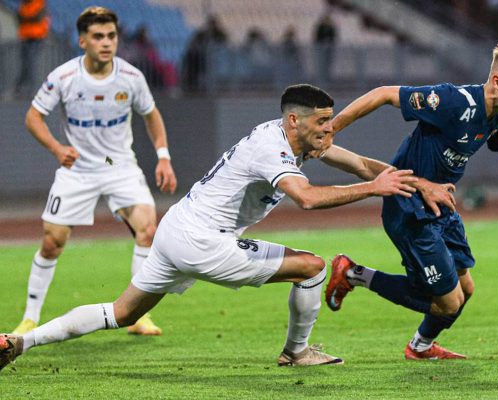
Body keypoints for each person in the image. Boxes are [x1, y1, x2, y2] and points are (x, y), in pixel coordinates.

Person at [0, 83, 456, 370]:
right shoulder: (272, 149)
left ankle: (20, 342)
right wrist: (374, 190)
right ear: (294, 120)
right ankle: (296, 352)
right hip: (203, 241)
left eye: (330, 122)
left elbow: (360, 164)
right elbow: (308, 198)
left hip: (177, 228)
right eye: (322, 122)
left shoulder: (299, 139)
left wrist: (419, 184)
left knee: (122, 313)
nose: (329, 130)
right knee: (313, 268)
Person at [324, 42, 498, 360]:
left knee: (466, 290)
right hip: (410, 208)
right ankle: (353, 273)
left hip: (441, 209)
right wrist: (333, 128)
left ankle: (420, 346)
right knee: (448, 303)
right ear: (497, 81)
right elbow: (384, 93)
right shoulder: (453, 101)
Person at [10, 6, 177, 338]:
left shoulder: (131, 77)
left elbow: (151, 114)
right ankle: (30, 318)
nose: (106, 43)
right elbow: (33, 117)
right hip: (78, 171)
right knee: (52, 242)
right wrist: (57, 148)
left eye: (111, 36)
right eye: (98, 36)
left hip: (120, 166)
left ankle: (139, 315)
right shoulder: (63, 77)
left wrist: (163, 156)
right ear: (82, 41)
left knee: (147, 230)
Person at [181, 15, 228, 92]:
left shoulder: (220, 34)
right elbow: (193, 43)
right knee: (192, 59)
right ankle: (191, 82)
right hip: (201, 56)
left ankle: (197, 82)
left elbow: (224, 43)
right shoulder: (202, 34)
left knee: (202, 62)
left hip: (212, 57)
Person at [15, 0, 50, 94]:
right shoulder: (23, 5)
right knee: (25, 63)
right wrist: (27, 18)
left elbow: (37, 18)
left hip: (36, 37)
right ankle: (21, 87)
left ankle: (32, 89)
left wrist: (26, 18)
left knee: (31, 62)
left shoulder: (39, 3)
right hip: (25, 36)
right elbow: (19, 18)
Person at [313, 13, 336, 84]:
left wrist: (329, 42)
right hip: (320, 49)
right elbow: (316, 37)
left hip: (329, 49)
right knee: (320, 64)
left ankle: (327, 78)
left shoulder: (331, 28)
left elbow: (334, 37)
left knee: (328, 64)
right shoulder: (320, 27)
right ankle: (320, 78)